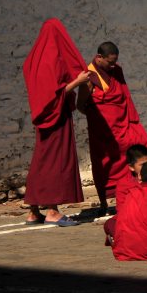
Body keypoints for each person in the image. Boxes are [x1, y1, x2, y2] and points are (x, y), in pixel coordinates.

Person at [22, 19, 91, 227]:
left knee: (42, 161)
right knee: (55, 161)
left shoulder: (33, 59)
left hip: (43, 118)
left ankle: (34, 212)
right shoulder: (50, 60)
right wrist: (78, 82)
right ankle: (52, 210)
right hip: (55, 117)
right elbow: (53, 95)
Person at [78, 41, 147, 215]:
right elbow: (81, 105)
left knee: (143, 146)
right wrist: (99, 118)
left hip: (123, 125)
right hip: (103, 132)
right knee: (104, 163)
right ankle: (104, 202)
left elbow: (124, 97)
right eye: (109, 62)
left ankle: (142, 191)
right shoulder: (89, 77)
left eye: (114, 62)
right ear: (99, 57)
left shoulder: (116, 71)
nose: (113, 66)